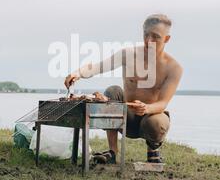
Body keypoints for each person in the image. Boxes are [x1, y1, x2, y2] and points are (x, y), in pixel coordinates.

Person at [65, 14, 183, 165]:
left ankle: (153, 148)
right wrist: (77, 73)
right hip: (125, 117)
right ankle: (113, 152)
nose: (149, 41)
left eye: (156, 37)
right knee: (113, 91)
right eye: (146, 35)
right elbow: (97, 67)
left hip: (150, 117)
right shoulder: (128, 54)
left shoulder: (174, 68)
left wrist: (146, 108)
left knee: (157, 123)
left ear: (166, 39)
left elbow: (163, 103)